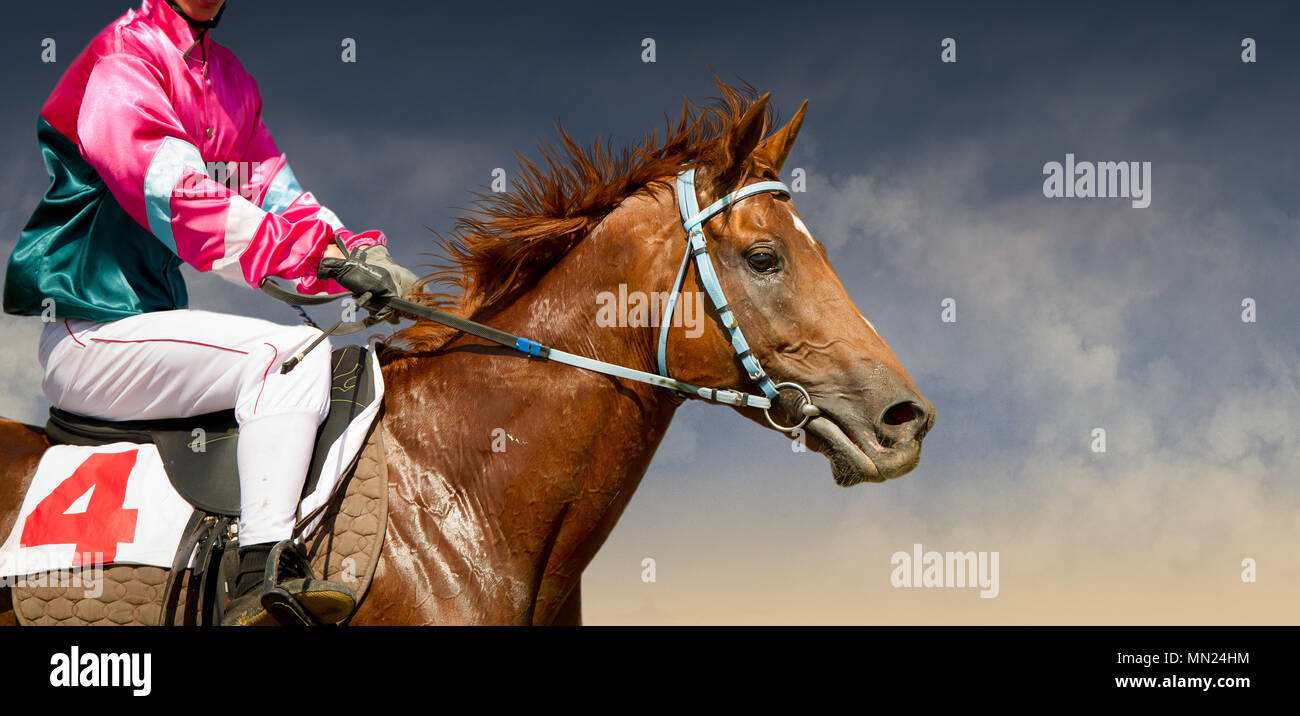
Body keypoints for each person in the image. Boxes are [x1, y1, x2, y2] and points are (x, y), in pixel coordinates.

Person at [2, 0, 417, 625]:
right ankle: (256, 579)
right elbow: (178, 200)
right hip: (88, 330)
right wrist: (319, 258)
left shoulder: (229, 84)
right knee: (285, 358)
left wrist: (353, 251)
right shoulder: (123, 59)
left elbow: (275, 194)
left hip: (147, 331)